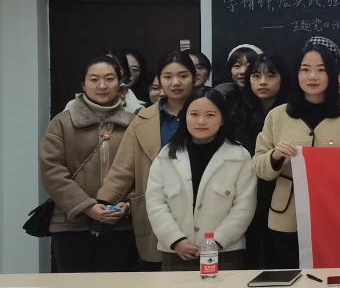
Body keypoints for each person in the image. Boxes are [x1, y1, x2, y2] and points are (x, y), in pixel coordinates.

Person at [253, 45, 340, 269]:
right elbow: (259, 166)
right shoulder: (277, 116)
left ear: (331, 74)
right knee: (289, 275)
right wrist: (274, 156)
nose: (312, 76)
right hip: (287, 215)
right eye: (305, 69)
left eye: (321, 70)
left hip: (336, 212)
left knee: (333, 276)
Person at [97, 51, 197, 270]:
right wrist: (104, 203)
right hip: (157, 209)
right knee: (158, 278)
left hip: (199, 206)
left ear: (195, 78)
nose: (176, 82)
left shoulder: (208, 114)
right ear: (159, 80)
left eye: (183, 76)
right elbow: (123, 169)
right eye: (168, 76)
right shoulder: (142, 119)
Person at [41, 54, 138, 272]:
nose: (102, 86)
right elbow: (52, 171)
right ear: (83, 84)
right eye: (94, 79)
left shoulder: (134, 124)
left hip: (119, 224)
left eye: (109, 79)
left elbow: (143, 171)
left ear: (120, 83)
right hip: (71, 224)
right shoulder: (62, 122)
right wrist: (87, 207)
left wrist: (128, 205)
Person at [146, 87, 256, 271]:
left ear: (223, 119)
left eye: (210, 115)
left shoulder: (239, 156)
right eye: (194, 114)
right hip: (177, 251)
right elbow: (155, 203)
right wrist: (176, 240)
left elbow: (244, 207)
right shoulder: (167, 155)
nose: (201, 121)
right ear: (184, 117)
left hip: (224, 251)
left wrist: (216, 242)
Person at [229, 53, 290, 269]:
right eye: (256, 76)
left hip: (281, 192)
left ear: (283, 78)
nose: (263, 82)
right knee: (249, 257)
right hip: (244, 192)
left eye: (270, 75)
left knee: (279, 257)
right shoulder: (236, 111)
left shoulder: (291, 113)